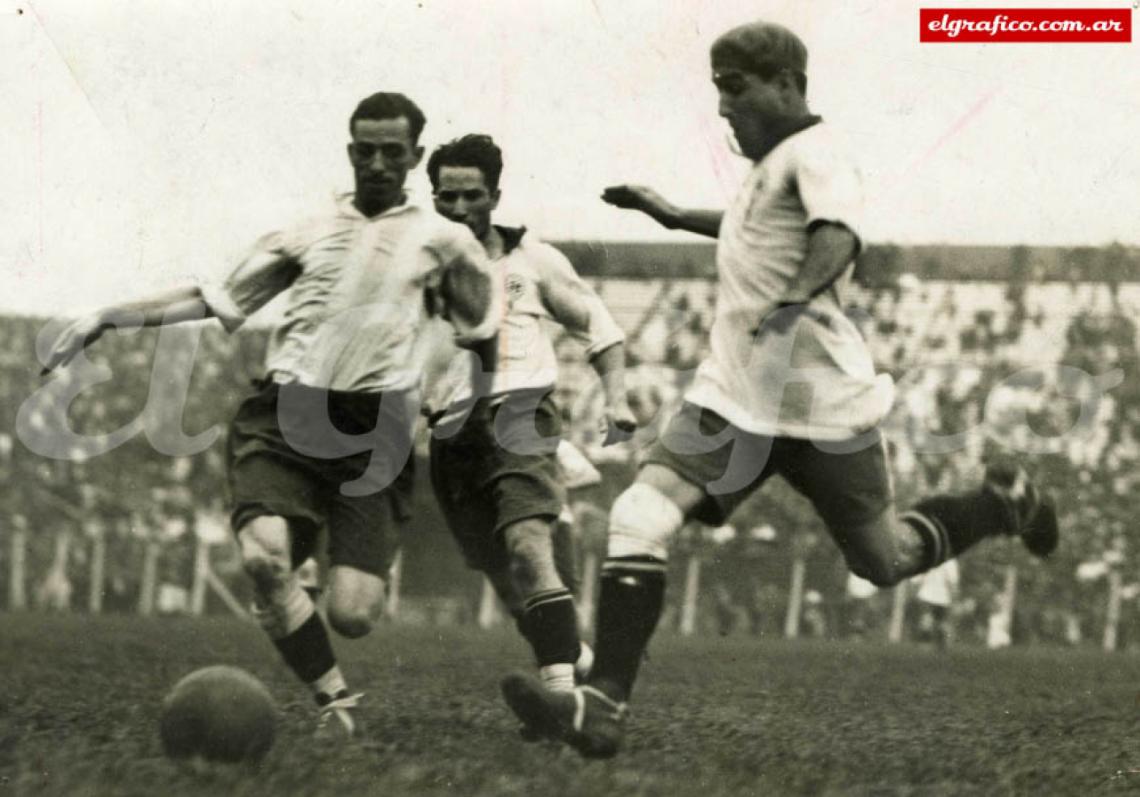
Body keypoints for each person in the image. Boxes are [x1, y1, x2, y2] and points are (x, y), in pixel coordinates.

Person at [500, 21, 1058, 758]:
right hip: (733, 403)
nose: (724, 107)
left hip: (822, 408)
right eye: (718, 90)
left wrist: (792, 302)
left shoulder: (818, 153)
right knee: (637, 513)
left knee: (883, 560)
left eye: (735, 87)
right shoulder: (771, 170)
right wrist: (670, 214)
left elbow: (838, 236)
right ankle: (602, 704)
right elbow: (744, 228)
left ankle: (999, 505)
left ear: (788, 83)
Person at [41, 92, 502, 738]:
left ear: (414, 157)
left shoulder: (446, 243)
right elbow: (216, 298)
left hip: (378, 434)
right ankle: (334, 699)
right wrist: (107, 315)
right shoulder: (306, 231)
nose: (376, 163)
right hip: (285, 413)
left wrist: (475, 411)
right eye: (364, 150)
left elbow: (482, 330)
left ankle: (308, 572)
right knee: (262, 559)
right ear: (349, 152)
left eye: (391, 152)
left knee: (356, 613)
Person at [422, 134, 635, 716]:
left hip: (520, 410)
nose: (459, 208)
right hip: (447, 431)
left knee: (525, 548)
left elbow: (601, 328)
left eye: (471, 195)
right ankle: (581, 665)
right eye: (446, 196)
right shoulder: (417, 265)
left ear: (495, 194)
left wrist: (615, 398)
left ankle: (566, 708)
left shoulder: (532, 260)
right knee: (508, 581)